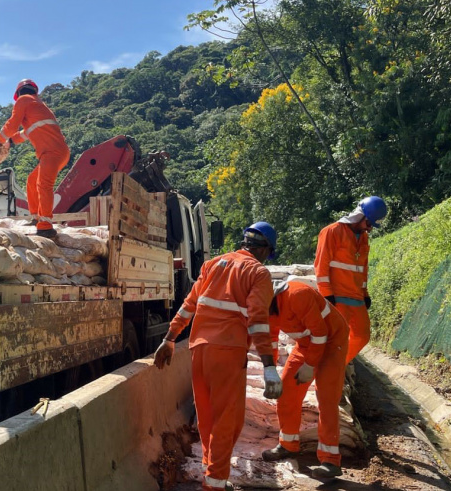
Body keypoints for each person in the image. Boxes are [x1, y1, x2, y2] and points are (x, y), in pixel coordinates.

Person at [154, 222, 284, 491]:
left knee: (207, 416)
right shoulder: (258, 273)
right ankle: (214, 484)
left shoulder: (213, 264)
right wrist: (269, 365)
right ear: (264, 250)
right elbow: (259, 321)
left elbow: (189, 305)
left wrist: (169, 338)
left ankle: (209, 471)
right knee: (228, 421)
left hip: (198, 348)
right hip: (228, 352)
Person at [260, 278, 350, 480]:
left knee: (327, 400)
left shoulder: (298, 295)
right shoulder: (265, 310)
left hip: (332, 341)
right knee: (287, 392)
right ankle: (288, 445)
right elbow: (270, 341)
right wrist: (271, 371)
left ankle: (330, 461)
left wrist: (310, 366)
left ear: (271, 297)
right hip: (306, 344)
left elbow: (321, 333)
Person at [314, 196, 387, 364]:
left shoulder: (363, 238)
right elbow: (321, 265)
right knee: (336, 339)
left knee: (362, 336)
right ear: (360, 215)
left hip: (356, 296)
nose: (369, 229)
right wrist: (326, 294)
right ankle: (329, 370)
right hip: (336, 296)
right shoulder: (332, 231)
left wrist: (365, 293)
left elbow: (362, 269)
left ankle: (339, 364)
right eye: (369, 223)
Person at [0, 79, 70, 238]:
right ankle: (36, 218)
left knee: (44, 184)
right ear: (34, 91)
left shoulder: (24, 100)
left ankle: (45, 224)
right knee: (32, 180)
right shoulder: (38, 109)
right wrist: (10, 141)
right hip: (57, 153)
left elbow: (12, 125)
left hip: (52, 153)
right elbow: (25, 134)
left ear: (18, 95)